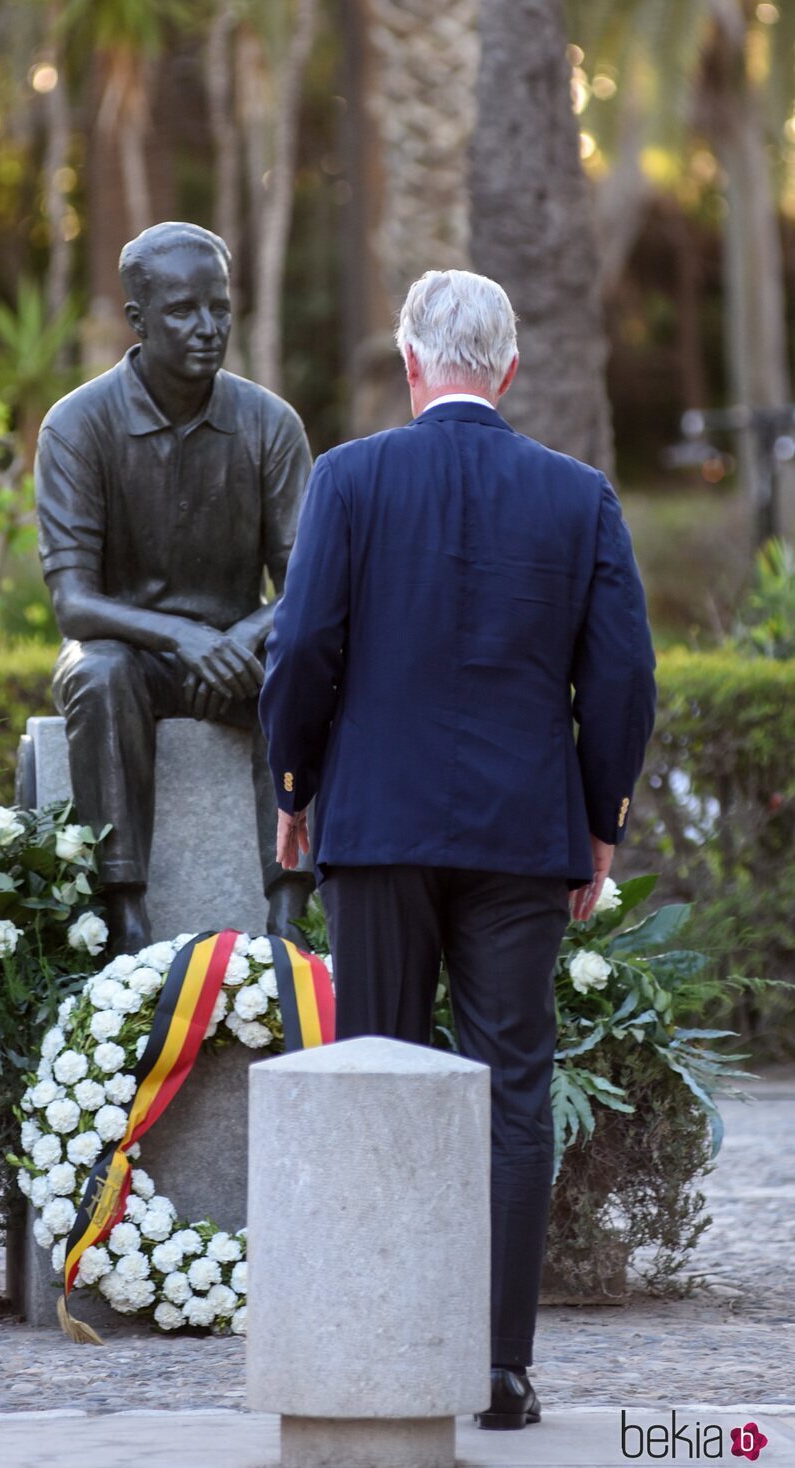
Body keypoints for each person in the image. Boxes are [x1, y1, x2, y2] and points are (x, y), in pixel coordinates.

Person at [259, 269, 656, 1430]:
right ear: (509, 369)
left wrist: (296, 785)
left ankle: (384, 1351)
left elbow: (300, 652)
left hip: (377, 828)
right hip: (520, 841)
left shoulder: (348, 477)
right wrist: (598, 824)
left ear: (409, 362)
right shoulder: (577, 496)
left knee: (378, 1076)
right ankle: (496, 1367)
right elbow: (622, 678)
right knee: (511, 1092)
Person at [35, 221, 314, 954]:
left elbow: (307, 586)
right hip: (128, 654)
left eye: (219, 307)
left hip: (235, 654)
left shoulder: (269, 425)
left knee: (308, 661)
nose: (208, 328)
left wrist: (245, 635)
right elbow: (74, 605)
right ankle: (123, 911)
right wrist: (181, 636)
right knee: (99, 673)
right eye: (183, 311)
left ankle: (291, 907)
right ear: (137, 319)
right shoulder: (77, 426)